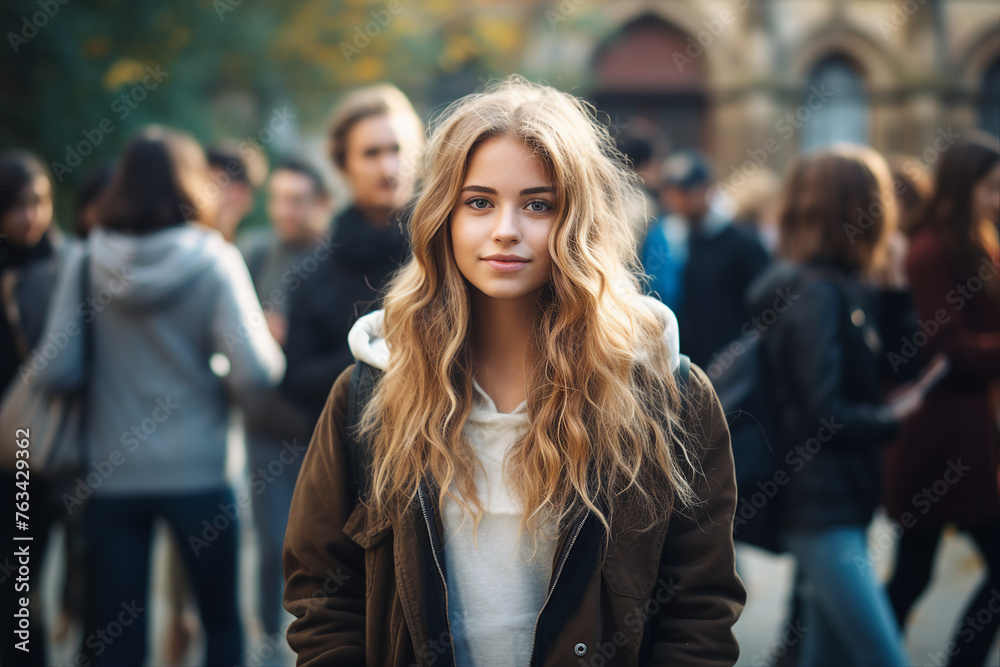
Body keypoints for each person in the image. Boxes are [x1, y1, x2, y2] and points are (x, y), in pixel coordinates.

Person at [282, 77, 745, 666]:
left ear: (577, 218)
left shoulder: (669, 398)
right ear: (442, 217)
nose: (506, 228)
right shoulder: (369, 394)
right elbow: (323, 596)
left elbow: (699, 611)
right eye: (479, 202)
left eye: (538, 204)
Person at [35, 125, 286, 667]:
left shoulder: (84, 259)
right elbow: (255, 373)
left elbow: (54, 370)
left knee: (120, 635)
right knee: (220, 626)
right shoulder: (214, 259)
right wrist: (214, 368)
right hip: (200, 473)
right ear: (191, 183)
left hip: (112, 474)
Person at [749, 145, 924, 667]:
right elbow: (824, 416)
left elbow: (900, 366)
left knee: (823, 657)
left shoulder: (838, 285)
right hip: (820, 507)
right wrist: (891, 418)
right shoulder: (815, 295)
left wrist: (894, 291)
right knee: (883, 656)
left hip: (839, 501)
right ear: (857, 210)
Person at [883, 134, 1000, 667]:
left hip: (971, 434)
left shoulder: (980, 240)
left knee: (912, 575)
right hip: (944, 439)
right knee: (913, 576)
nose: (998, 200)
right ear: (963, 186)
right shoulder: (933, 249)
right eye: (991, 188)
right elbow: (946, 346)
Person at [281, 84, 422, 427]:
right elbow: (296, 384)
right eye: (371, 153)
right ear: (343, 165)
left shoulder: (450, 253)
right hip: (354, 460)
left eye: (398, 149)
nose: (389, 166)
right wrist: (374, 348)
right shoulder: (314, 274)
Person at [236, 157, 332, 647]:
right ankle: (268, 641)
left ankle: (317, 639)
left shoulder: (336, 260)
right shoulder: (253, 252)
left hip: (324, 426)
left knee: (320, 544)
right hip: (268, 423)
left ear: (323, 203)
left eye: (296, 200)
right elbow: (226, 327)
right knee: (273, 538)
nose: (283, 211)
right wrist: (256, 332)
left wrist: (293, 339)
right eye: (276, 199)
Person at [0, 149, 67, 667]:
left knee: (40, 576)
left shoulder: (68, 264)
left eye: (40, 202)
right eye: (16, 205)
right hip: (10, 446)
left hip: (47, 441)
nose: (31, 216)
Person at [641, 150, 769, 369]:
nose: (678, 200)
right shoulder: (674, 238)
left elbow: (763, 311)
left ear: (708, 189)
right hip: (692, 365)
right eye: (672, 192)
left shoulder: (743, 244)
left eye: (686, 192)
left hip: (733, 367)